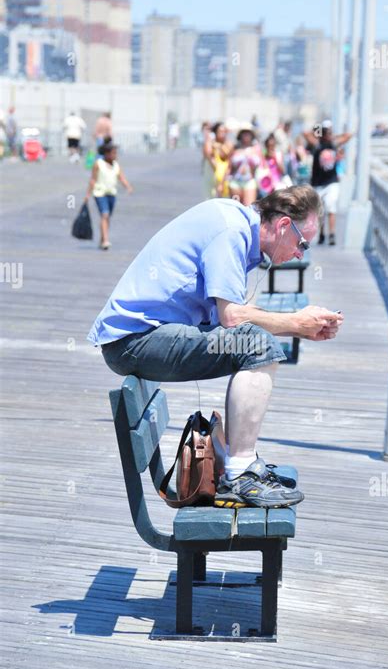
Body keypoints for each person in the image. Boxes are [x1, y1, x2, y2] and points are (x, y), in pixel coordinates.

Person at [87, 186, 344, 507]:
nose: (300, 254)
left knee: (255, 343)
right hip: (134, 341)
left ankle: (242, 465)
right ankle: (239, 473)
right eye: (302, 243)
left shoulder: (235, 223)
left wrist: (298, 326)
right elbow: (232, 317)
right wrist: (296, 323)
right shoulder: (232, 231)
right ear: (282, 226)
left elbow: (228, 320)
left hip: (137, 338)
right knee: (256, 345)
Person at [304, 120, 353, 246]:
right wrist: (318, 131)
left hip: (332, 182)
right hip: (318, 183)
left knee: (331, 206)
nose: (327, 134)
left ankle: (332, 234)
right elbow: (305, 133)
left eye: (329, 131)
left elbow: (349, 135)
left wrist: (334, 135)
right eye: (326, 132)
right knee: (320, 210)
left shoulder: (334, 144)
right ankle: (321, 233)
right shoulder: (317, 144)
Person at [84, 139, 133, 250]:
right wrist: (88, 194)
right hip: (100, 194)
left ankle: (103, 239)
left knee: (107, 217)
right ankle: (105, 240)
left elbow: (121, 177)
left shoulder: (116, 165)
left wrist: (128, 187)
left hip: (111, 194)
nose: (115, 155)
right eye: (113, 153)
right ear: (106, 154)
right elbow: (93, 179)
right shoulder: (98, 164)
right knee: (105, 215)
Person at [228, 126, 261, 206]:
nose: (246, 135)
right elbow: (229, 166)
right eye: (244, 133)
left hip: (249, 181)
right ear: (240, 135)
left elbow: (262, 165)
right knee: (236, 208)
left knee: (248, 208)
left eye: (248, 133)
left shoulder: (256, 149)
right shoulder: (235, 148)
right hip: (235, 181)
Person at [202, 121, 233, 198]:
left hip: (224, 177)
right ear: (215, 132)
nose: (223, 133)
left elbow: (228, 157)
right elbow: (208, 155)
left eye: (224, 131)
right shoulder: (209, 143)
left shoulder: (228, 143)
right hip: (211, 175)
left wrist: (219, 147)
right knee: (209, 198)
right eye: (220, 131)